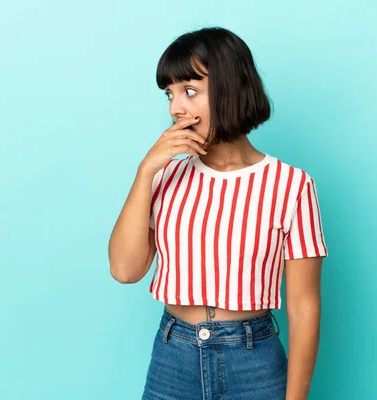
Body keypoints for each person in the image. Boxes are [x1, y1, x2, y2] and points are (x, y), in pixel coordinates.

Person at [108, 26, 328, 400]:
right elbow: (125, 270)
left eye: (190, 91)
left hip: (253, 360)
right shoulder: (164, 176)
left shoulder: (291, 186)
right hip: (172, 357)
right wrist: (146, 170)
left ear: (230, 89)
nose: (176, 108)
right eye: (170, 94)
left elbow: (304, 305)